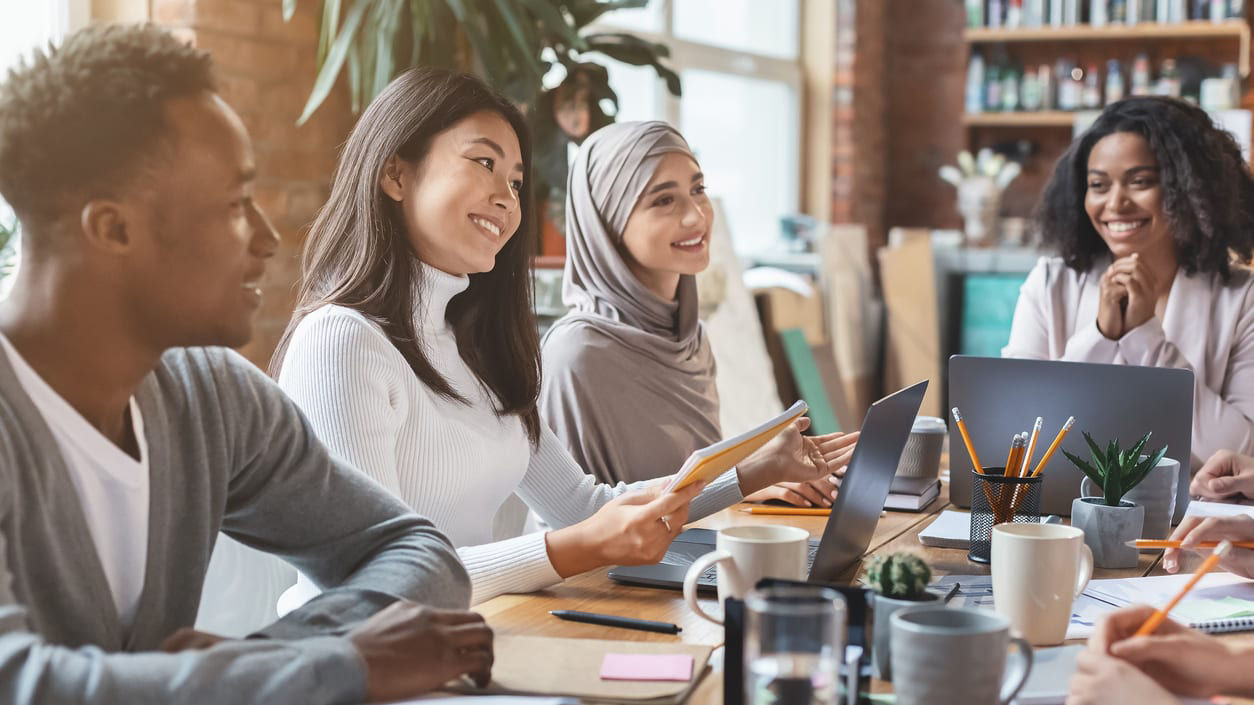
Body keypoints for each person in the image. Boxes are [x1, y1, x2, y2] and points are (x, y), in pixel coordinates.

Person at [0, 24, 493, 704]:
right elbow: (23, 683)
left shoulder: (211, 393)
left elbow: (416, 550)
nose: (266, 238)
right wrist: (341, 666)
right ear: (113, 229)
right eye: (235, 205)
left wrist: (285, 657)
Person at [271, 68, 846, 607]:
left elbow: (581, 505)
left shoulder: (474, 348)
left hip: (460, 644)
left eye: (516, 182)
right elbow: (371, 582)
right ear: (395, 173)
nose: (505, 197)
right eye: (482, 163)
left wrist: (752, 472)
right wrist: (580, 548)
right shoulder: (342, 342)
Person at [538, 121, 857, 508]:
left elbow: (692, 485)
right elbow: (579, 520)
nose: (696, 217)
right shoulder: (577, 354)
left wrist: (750, 484)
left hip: (691, 556)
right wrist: (747, 478)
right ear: (608, 223)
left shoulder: (691, 338)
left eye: (698, 190)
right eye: (663, 201)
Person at [1003, 96, 1254, 468]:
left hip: (1190, 521)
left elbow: (1241, 452)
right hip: (1060, 520)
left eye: (1140, 182)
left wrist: (1146, 338)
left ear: (1188, 188)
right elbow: (1014, 431)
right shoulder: (1050, 285)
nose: (1116, 203)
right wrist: (1101, 336)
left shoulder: (1241, 297)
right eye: (1099, 185)